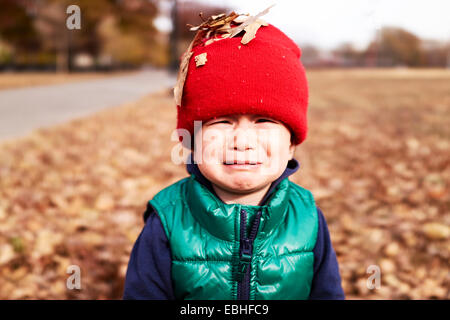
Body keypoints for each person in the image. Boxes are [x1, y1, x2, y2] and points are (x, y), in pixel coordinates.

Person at [123, 11, 345, 300]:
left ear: (291, 143)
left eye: (264, 121)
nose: (242, 141)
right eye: (221, 122)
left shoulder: (307, 219)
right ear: (192, 139)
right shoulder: (167, 221)